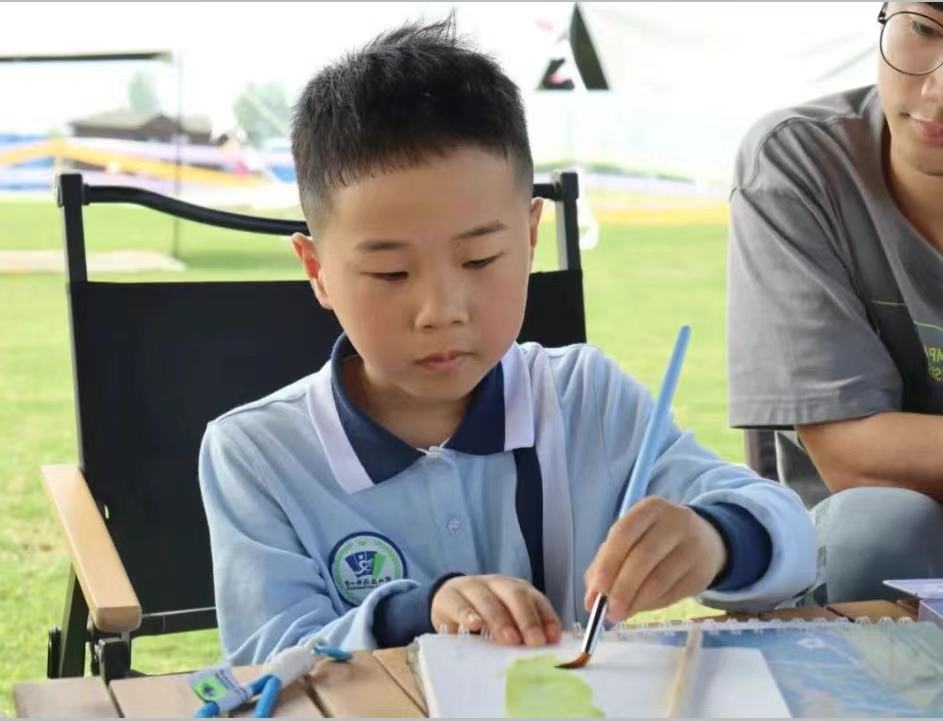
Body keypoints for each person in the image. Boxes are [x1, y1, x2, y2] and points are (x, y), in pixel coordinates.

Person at [199, 19, 815, 665]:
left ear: (529, 236)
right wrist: (415, 613)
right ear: (317, 270)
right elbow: (267, 661)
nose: (441, 311)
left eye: (479, 259)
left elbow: (791, 533)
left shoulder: (585, 398)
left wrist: (716, 539)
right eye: (390, 272)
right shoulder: (258, 453)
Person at [728, 2, 943, 605]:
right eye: (923, 28)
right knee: (881, 527)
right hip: (870, 543)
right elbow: (852, 454)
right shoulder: (801, 164)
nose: (937, 92)